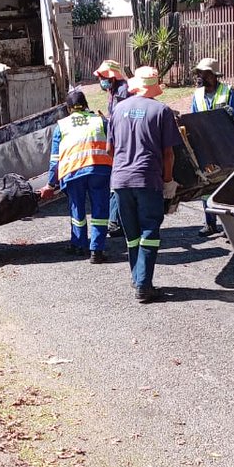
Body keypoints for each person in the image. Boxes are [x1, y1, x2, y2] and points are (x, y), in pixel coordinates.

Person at [109, 66, 182, 303]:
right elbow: (168, 154)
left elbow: (110, 149)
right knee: (149, 231)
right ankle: (144, 284)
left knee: (131, 233)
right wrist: (168, 182)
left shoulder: (118, 109)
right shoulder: (162, 111)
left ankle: (136, 276)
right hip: (148, 179)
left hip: (120, 180)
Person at [40, 88, 113, 262]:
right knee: (100, 210)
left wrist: (51, 184)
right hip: (99, 169)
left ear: (68, 108)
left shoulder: (62, 126)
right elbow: (114, 145)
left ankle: (79, 245)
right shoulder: (100, 121)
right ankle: (97, 251)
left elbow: (55, 160)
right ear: (86, 105)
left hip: (73, 172)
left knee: (77, 209)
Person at [189, 58, 234, 235]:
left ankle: (229, 227)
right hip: (205, 145)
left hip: (227, 145)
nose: (199, 77)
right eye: (199, 73)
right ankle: (210, 223)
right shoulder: (197, 95)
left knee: (228, 184)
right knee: (207, 183)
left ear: (213, 75)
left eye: (203, 73)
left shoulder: (229, 92)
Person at [94, 60, 129, 239]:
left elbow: (121, 117)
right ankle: (117, 221)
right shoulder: (113, 90)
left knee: (117, 182)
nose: (101, 80)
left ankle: (115, 222)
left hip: (122, 141)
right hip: (117, 138)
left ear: (112, 77)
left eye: (103, 77)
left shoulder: (122, 91)